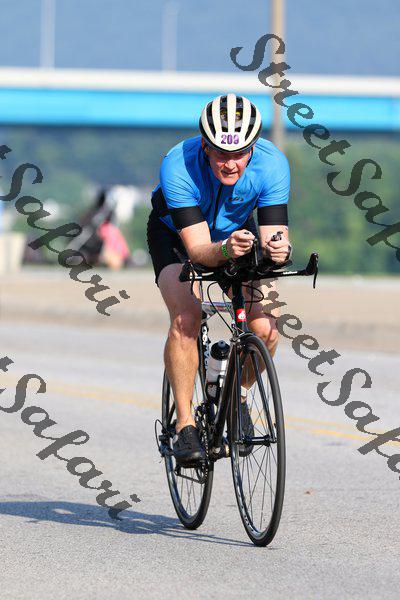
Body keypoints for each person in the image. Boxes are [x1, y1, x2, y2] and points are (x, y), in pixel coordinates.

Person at [147, 93, 292, 466]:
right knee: (186, 318)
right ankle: (184, 425)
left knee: (266, 328)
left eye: (240, 153)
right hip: (176, 237)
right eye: (221, 154)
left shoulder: (272, 164)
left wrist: (279, 250)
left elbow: (274, 234)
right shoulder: (178, 164)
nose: (230, 163)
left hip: (236, 234)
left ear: (253, 147)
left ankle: (236, 394)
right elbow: (198, 251)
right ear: (205, 146)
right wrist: (226, 250)